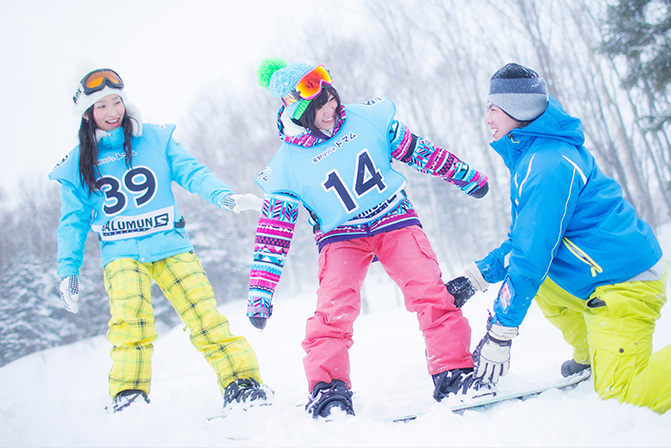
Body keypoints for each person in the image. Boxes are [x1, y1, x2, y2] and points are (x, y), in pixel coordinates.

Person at [452, 62, 671, 413]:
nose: (487, 119)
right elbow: (527, 240)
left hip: (624, 283)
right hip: (603, 273)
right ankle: (591, 355)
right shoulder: (535, 157)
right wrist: (476, 277)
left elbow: (531, 258)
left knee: (625, 396)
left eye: (493, 109)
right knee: (543, 283)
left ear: (517, 109)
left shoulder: (547, 165)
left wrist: (501, 332)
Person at [248, 58, 490, 418]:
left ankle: (452, 369)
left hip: (394, 217)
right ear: (296, 111)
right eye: (319, 106)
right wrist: (260, 292)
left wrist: (465, 175)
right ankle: (328, 389)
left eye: (331, 98)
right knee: (334, 309)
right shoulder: (287, 166)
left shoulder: (368, 120)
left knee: (429, 290)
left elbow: (420, 152)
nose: (331, 109)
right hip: (340, 237)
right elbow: (274, 234)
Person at [49, 63, 272, 413]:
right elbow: (72, 221)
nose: (111, 112)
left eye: (116, 101)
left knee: (204, 315)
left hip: (170, 244)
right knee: (131, 322)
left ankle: (241, 383)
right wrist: (69, 270)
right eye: (101, 106)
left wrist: (223, 196)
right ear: (87, 114)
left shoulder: (154, 138)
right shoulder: (80, 162)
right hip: (121, 253)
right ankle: (129, 396)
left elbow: (192, 173)